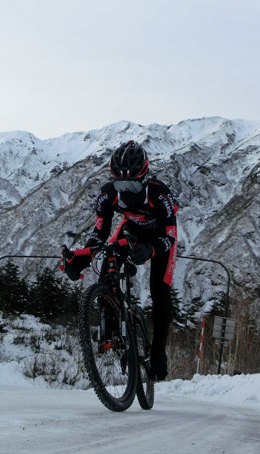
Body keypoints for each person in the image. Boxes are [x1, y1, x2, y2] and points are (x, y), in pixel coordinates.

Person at [64, 140, 178, 381]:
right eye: (120, 183)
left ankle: (158, 351)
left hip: (159, 239)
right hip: (132, 232)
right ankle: (114, 328)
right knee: (108, 262)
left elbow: (170, 235)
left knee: (159, 292)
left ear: (145, 178)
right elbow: (99, 235)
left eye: (133, 185)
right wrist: (80, 260)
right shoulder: (108, 194)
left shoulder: (160, 194)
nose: (125, 190)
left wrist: (151, 249)